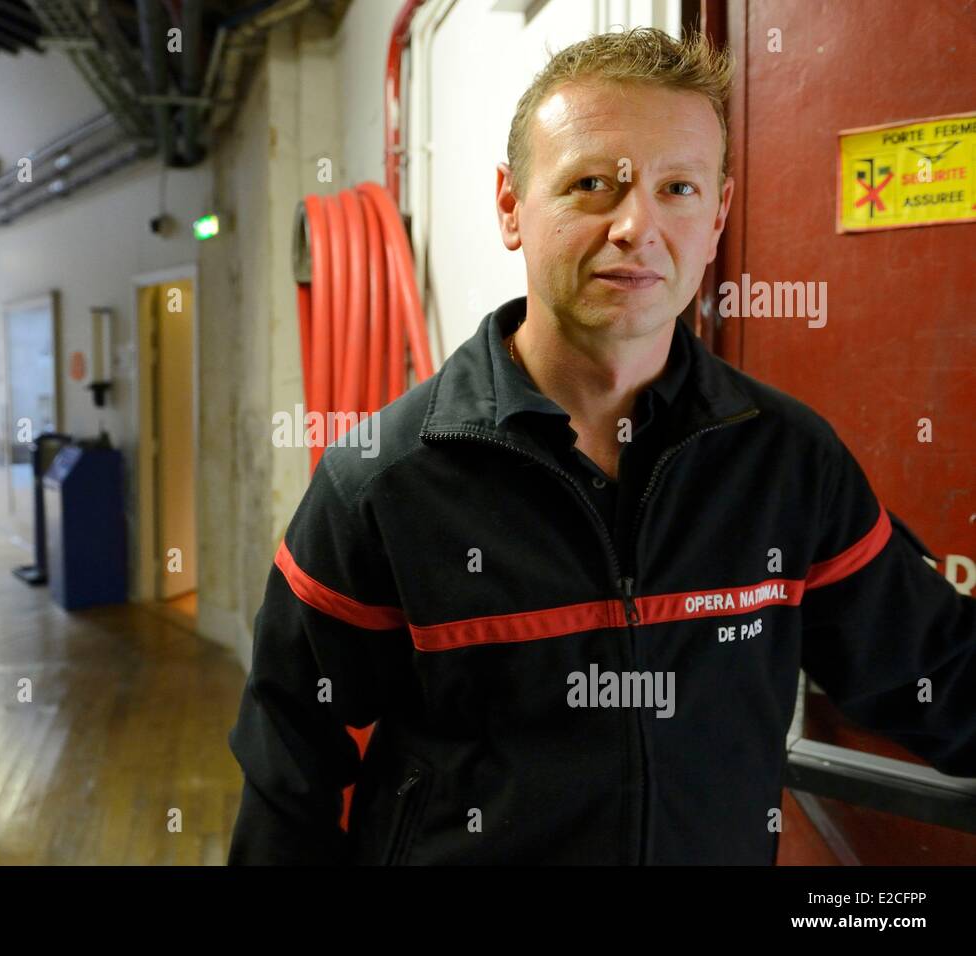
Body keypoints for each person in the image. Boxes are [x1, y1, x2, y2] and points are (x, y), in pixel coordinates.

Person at [227, 28, 976, 865]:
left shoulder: (788, 463)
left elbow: (938, 673)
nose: (636, 227)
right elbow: (289, 778)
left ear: (719, 212)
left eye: (678, 188)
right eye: (591, 185)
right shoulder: (384, 483)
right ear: (511, 206)